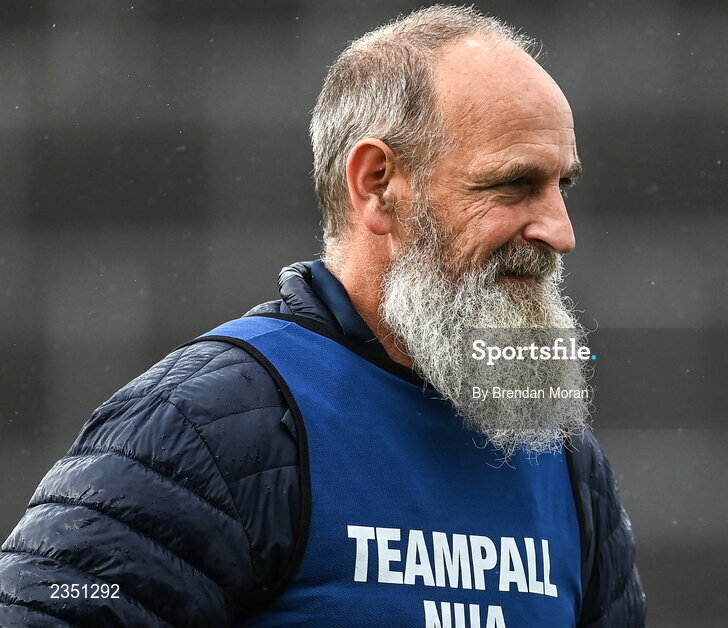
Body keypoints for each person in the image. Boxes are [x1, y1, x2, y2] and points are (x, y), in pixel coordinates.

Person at [0, 6, 646, 627]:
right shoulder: (206, 425)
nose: (559, 232)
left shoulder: (562, 461)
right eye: (512, 185)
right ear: (376, 184)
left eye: (563, 187)